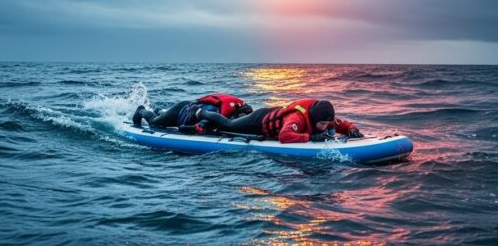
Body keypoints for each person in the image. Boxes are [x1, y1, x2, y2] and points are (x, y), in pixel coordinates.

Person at [196, 98, 363, 143]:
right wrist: (311, 138)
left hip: (271, 116)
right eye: (323, 124)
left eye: (328, 124)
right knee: (228, 125)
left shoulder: (324, 118)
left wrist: (352, 129)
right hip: (259, 121)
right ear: (314, 118)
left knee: (233, 122)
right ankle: (200, 112)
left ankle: (238, 116)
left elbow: (341, 124)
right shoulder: (297, 117)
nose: (326, 127)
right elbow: (285, 136)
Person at [132, 94, 253, 135]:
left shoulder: (233, 108)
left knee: (161, 117)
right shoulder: (220, 113)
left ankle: (159, 110)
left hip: (188, 112)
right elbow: (185, 128)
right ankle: (141, 110)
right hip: (180, 112)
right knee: (154, 122)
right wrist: (196, 129)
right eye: (241, 117)